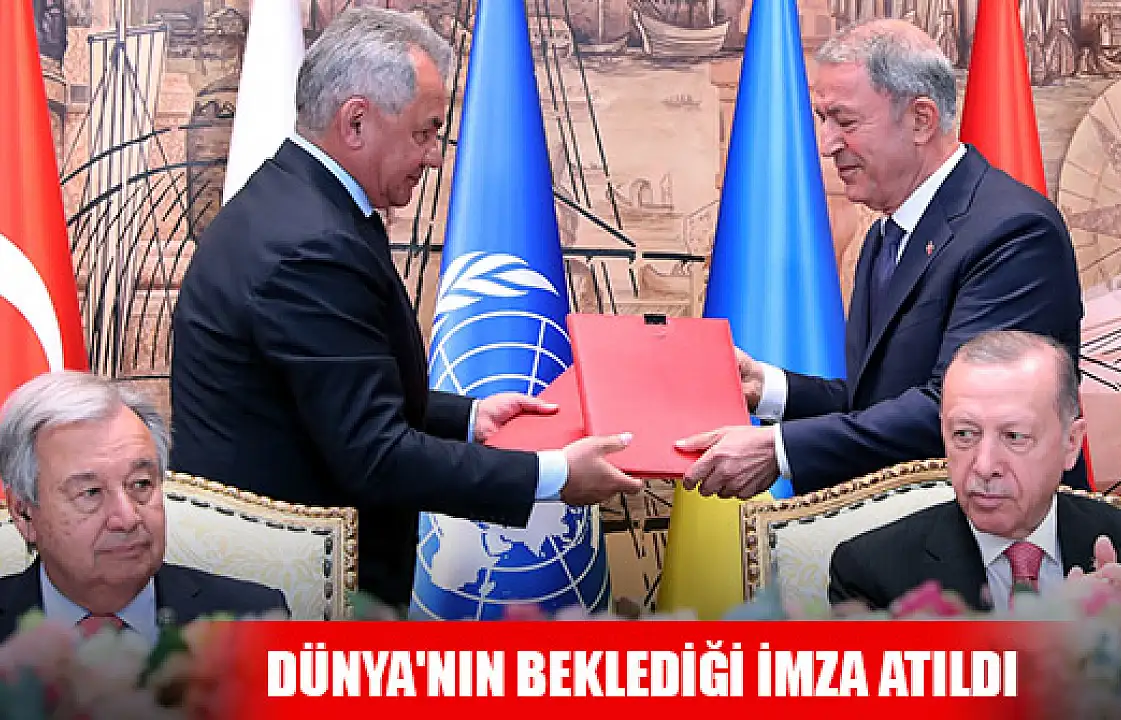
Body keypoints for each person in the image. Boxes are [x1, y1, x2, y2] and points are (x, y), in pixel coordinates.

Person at [168, 7, 643, 607]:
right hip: (291, 605)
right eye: (424, 132)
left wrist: (469, 417)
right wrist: (555, 476)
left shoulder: (291, 204)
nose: (435, 157)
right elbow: (374, 454)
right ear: (356, 121)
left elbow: (332, 388)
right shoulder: (312, 246)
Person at [677, 18, 1085, 500]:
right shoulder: (886, 235)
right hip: (908, 529)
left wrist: (780, 450)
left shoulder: (1014, 232)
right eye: (822, 119)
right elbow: (873, 403)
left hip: (998, 533)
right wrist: (766, 388)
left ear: (920, 120)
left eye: (845, 122)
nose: (826, 144)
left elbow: (960, 413)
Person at [827, 331, 1121, 611]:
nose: (984, 466)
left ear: (1071, 444)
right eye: (964, 434)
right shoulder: (872, 573)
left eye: (1014, 437)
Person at [0, 372, 288, 641]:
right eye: (91, 492)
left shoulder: (256, 618)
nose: (127, 518)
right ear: (24, 514)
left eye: (140, 484)